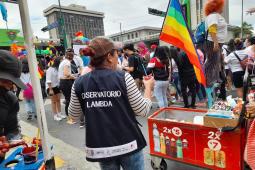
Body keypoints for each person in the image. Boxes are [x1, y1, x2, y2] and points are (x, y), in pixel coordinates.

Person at [68, 37, 154, 170]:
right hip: (128, 143)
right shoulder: (123, 78)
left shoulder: (79, 82)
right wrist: (148, 87)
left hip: (102, 148)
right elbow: (142, 110)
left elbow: (73, 115)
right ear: (109, 56)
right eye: (116, 54)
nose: (117, 58)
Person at [0, 50, 26, 162]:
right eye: (5, 81)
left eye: (11, 83)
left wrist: (11, 142)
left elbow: (11, 132)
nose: (9, 86)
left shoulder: (11, 100)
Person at [204, 0, 227, 108]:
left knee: (216, 62)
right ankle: (208, 81)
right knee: (212, 62)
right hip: (212, 42)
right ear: (217, 6)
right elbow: (212, 29)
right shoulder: (213, 16)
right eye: (222, 5)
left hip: (217, 42)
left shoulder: (217, 15)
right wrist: (216, 42)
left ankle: (215, 78)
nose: (223, 7)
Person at [58, 48, 77, 122]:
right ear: (71, 56)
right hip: (66, 82)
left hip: (63, 82)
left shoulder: (63, 61)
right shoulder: (67, 63)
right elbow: (66, 74)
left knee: (68, 99)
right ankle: (69, 117)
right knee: (69, 100)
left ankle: (69, 116)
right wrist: (74, 77)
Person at [46, 56, 64, 121]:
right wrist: (50, 89)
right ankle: (55, 115)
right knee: (53, 101)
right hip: (51, 87)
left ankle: (59, 113)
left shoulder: (58, 69)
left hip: (57, 86)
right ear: (58, 62)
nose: (62, 62)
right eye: (61, 61)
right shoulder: (50, 69)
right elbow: (48, 80)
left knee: (58, 100)